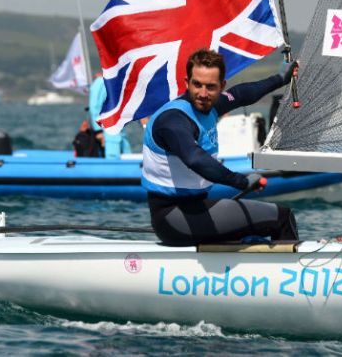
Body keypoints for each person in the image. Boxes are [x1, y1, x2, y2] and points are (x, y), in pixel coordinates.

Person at [142, 48, 299, 246]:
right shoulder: (174, 121)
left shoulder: (210, 106)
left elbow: (241, 94)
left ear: (221, 86)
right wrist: (241, 181)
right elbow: (195, 159)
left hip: (195, 210)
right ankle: (290, 273)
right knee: (281, 217)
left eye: (210, 87)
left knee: (253, 229)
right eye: (196, 85)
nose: (203, 93)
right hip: (173, 218)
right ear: (186, 83)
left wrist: (280, 78)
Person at [88, 73, 132, 158]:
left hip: (121, 133)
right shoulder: (100, 82)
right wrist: (98, 131)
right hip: (108, 135)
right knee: (112, 157)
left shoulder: (120, 82)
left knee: (127, 155)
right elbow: (94, 107)